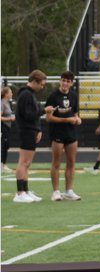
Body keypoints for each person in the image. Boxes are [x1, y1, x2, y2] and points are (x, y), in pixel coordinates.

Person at [44, 71, 82, 201]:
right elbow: (48, 118)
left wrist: (77, 119)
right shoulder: (53, 96)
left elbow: (75, 113)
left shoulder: (74, 96)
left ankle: (69, 191)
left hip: (71, 133)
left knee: (71, 162)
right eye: (63, 80)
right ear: (60, 81)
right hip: (57, 133)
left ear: (71, 83)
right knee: (56, 162)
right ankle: (55, 192)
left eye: (68, 81)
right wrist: (66, 120)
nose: (65, 83)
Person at [12, 70, 46, 203]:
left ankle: (25, 190)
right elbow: (29, 115)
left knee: (27, 163)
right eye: (41, 84)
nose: (42, 87)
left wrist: (38, 129)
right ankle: (20, 192)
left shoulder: (30, 94)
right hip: (26, 130)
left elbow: (32, 115)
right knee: (23, 162)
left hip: (31, 130)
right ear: (34, 81)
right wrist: (44, 110)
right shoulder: (26, 94)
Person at [2, 86, 14, 175]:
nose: (12, 94)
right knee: (3, 146)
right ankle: (2, 166)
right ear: (6, 94)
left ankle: (3, 165)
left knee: (6, 145)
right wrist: (10, 119)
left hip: (7, 127)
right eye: (10, 92)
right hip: (3, 127)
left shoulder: (7, 103)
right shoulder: (2, 103)